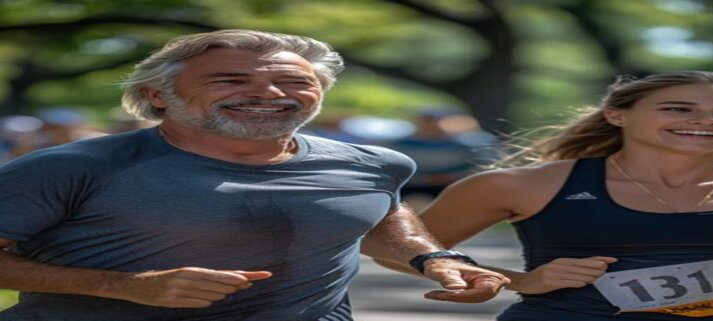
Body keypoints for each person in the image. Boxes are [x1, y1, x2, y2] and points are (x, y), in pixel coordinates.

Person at [0, 29, 509, 321]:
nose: (268, 94)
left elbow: (375, 213)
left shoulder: (373, 164)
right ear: (158, 94)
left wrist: (434, 258)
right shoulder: (71, 167)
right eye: (229, 79)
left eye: (293, 81)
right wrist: (125, 286)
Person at [380, 71, 713, 320]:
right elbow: (389, 248)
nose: (707, 119)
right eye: (677, 108)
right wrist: (517, 280)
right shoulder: (525, 184)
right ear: (618, 116)